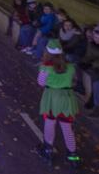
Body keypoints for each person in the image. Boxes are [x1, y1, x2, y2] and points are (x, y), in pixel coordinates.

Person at [36, 39, 80, 168]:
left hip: (51, 98)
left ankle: (48, 149)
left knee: (50, 124)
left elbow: (41, 82)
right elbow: (74, 81)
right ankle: (73, 155)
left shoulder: (45, 67)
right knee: (67, 128)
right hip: (67, 98)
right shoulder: (71, 67)